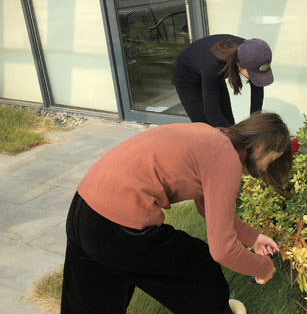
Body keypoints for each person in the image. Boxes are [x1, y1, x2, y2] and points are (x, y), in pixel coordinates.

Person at [60, 112, 292, 314]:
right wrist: (263, 268)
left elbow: (207, 209)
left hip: (84, 208)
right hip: (116, 224)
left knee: (91, 301)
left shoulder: (210, 136)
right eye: (272, 159)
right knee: (199, 270)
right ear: (261, 146)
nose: (266, 167)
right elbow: (222, 250)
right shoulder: (226, 157)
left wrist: (254, 238)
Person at [173, 34, 274, 127]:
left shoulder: (255, 53)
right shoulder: (213, 65)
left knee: (228, 120)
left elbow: (257, 91)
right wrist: (236, 135)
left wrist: (254, 124)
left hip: (211, 72)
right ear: (239, 64)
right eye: (253, 74)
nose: (256, 77)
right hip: (188, 77)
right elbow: (213, 114)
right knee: (207, 127)